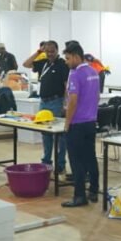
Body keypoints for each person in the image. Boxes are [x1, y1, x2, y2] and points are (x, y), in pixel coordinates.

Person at [62, 41, 100, 208]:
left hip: (77, 124)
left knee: (76, 160)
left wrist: (67, 123)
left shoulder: (75, 74)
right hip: (91, 122)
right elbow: (97, 96)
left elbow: (72, 101)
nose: (67, 62)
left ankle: (79, 196)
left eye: (68, 58)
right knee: (90, 157)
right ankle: (94, 190)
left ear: (76, 57)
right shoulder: (94, 72)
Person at [36, 41, 70, 175]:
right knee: (45, 134)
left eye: (52, 51)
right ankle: (46, 161)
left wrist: (65, 104)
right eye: (47, 51)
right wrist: (39, 52)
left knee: (59, 135)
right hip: (43, 103)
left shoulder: (62, 64)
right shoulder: (44, 63)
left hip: (56, 102)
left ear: (57, 50)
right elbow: (26, 64)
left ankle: (61, 164)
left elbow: (67, 86)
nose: (50, 54)